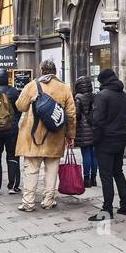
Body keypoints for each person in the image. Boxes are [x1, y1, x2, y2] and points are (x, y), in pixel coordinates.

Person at [16, 60, 77, 209]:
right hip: (55, 136)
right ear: (55, 71)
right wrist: (71, 135)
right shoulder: (64, 88)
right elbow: (71, 115)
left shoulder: (31, 86)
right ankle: (49, 201)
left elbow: (20, 106)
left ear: (41, 70)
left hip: (33, 137)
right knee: (52, 170)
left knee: (31, 170)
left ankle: (28, 202)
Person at [88, 67, 126, 221]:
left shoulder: (102, 96)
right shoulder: (124, 95)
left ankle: (107, 210)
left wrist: (95, 139)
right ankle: (125, 206)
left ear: (102, 81)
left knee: (106, 175)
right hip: (120, 138)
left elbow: (97, 121)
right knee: (118, 172)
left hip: (105, 141)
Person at [73, 76, 98, 189]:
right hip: (94, 128)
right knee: (94, 154)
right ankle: (94, 178)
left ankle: (86, 179)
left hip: (83, 130)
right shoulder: (95, 96)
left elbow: (76, 115)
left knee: (86, 154)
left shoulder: (78, 97)